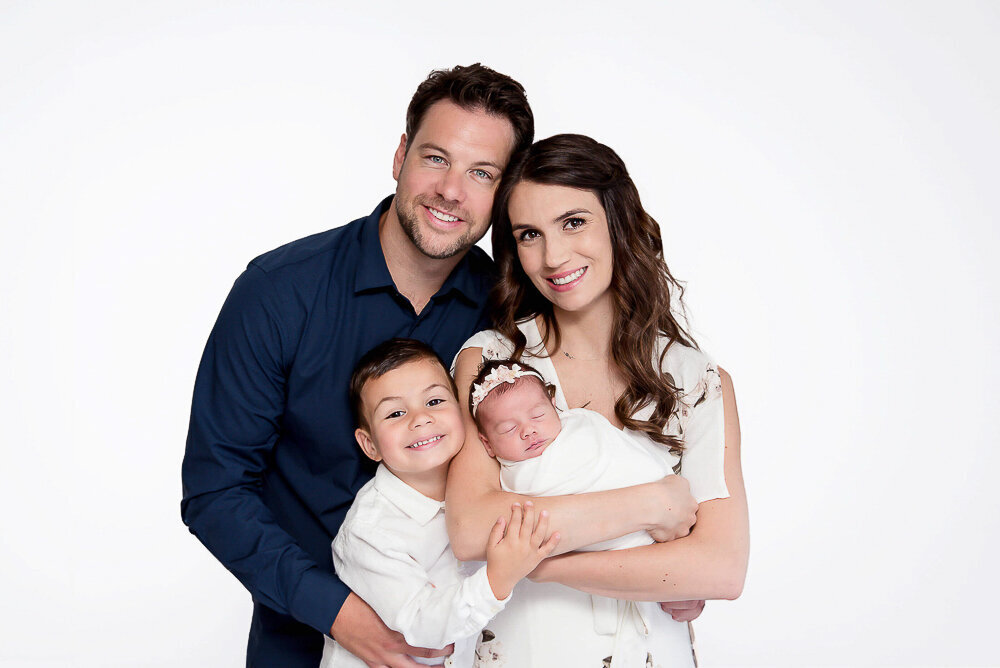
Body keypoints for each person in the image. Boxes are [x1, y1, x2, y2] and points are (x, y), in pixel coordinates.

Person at [180, 64, 538, 668]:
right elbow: (216, 491)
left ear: (503, 194)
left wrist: (649, 567)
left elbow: (560, 442)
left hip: (475, 642)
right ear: (399, 155)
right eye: (435, 158)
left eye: (482, 173)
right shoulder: (277, 292)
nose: (452, 190)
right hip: (300, 643)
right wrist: (341, 615)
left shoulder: (511, 307)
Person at [448, 134, 750, 667]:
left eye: (573, 222)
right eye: (529, 234)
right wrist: (652, 507)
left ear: (618, 220)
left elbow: (720, 568)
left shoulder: (697, 381)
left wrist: (535, 563)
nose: (554, 255)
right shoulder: (492, 362)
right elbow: (471, 528)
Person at [321, 339, 558, 668]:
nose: (420, 419)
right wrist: (496, 579)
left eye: (434, 401)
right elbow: (422, 624)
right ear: (369, 443)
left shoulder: (490, 483)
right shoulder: (370, 532)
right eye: (396, 413)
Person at [470, 358, 676, 552]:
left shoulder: (579, 422)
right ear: (487, 444)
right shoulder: (520, 479)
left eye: (538, 415)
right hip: (625, 544)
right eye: (509, 429)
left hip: (663, 500)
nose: (528, 430)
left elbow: (618, 448)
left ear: (553, 405)